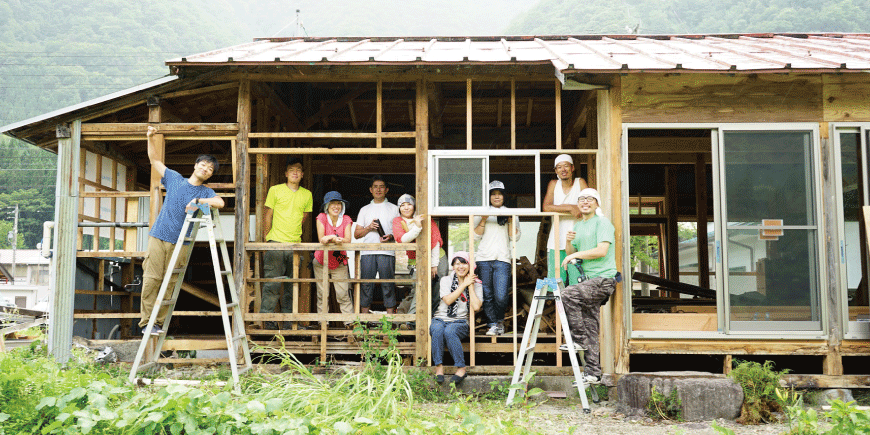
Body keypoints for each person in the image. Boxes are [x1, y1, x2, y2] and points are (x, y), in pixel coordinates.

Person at [140, 125, 224, 335]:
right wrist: (150, 138)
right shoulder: (175, 179)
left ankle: (158, 323)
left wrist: (198, 200)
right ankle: (146, 323)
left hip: (182, 242)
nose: (205, 169)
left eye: (209, 169)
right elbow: (154, 160)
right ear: (196, 165)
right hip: (159, 236)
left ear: (210, 175)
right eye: (203, 165)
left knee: (170, 283)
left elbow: (220, 202)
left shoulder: (206, 190)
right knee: (152, 280)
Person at [560, 188, 617, 385]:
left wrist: (573, 255)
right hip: (589, 281)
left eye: (590, 199)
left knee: (568, 295)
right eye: (582, 199)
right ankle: (593, 372)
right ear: (578, 203)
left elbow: (602, 251)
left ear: (596, 203)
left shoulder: (602, 223)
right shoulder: (579, 225)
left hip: (603, 280)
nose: (585, 202)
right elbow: (572, 250)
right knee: (592, 325)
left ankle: (578, 339)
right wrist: (568, 244)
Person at [262, 157, 313, 330]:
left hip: (295, 246)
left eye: (298, 170)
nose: (295, 173)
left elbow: (303, 219)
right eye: (292, 170)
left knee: (293, 286)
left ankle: (289, 323)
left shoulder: (307, 194)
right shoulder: (275, 190)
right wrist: (266, 240)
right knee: (272, 284)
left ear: (303, 174)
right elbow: (268, 215)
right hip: (275, 243)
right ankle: (268, 321)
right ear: (286, 173)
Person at [473, 181, 520, 336]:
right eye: (493, 194)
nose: (497, 197)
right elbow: (474, 236)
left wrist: (511, 219)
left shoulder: (510, 212)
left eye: (499, 193)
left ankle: (499, 321)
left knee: (501, 296)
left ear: (504, 196)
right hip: (483, 258)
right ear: (488, 197)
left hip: (503, 258)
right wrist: (484, 219)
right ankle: (492, 324)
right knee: (487, 295)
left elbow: (516, 237)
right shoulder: (481, 211)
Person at [430, 251, 483, 386]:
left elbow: (476, 307)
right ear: (453, 266)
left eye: (464, 263)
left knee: (450, 331)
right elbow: (448, 300)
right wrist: (463, 285)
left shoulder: (476, 284)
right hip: (441, 318)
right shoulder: (445, 280)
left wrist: (469, 286)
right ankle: (439, 367)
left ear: (469, 266)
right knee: (436, 329)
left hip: (460, 322)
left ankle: (461, 368)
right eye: (457, 263)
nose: (461, 266)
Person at [392, 194, 447, 317]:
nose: (406, 208)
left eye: (409, 204)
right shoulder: (398, 221)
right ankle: (410, 319)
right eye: (402, 205)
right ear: (399, 208)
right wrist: (417, 227)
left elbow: (435, 241)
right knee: (417, 289)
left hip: (437, 257)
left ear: (414, 206)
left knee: (438, 289)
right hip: (415, 260)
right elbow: (403, 239)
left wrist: (434, 264)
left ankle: (433, 317)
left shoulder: (424, 217)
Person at [354, 176, 400, 314]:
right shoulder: (364, 209)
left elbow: (400, 231)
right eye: (375, 187)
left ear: (386, 190)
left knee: (388, 284)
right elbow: (356, 234)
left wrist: (390, 236)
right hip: (367, 252)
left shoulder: (394, 208)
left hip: (387, 251)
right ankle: (364, 321)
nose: (378, 189)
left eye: (381, 187)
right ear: (370, 190)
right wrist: (369, 228)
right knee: (366, 285)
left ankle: (390, 322)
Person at [543, 154, 588, 282]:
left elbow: (589, 205)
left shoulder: (580, 183)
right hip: (556, 240)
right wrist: (569, 207)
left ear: (572, 168)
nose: (563, 170)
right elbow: (546, 207)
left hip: (577, 239)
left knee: (577, 281)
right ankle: (558, 304)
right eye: (559, 167)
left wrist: (576, 208)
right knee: (556, 282)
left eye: (566, 166)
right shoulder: (553, 184)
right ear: (556, 171)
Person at [313, 191, 355, 327]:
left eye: (338, 203)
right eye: (332, 204)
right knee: (322, 293)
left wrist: (337, 239)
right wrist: (332, 238)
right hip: (321, 260)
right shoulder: (321, 217)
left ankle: (349, 322)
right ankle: (323, 322)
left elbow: (348, 240)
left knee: (343, 293)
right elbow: (322, 239)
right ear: (327, 206)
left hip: (339, 259)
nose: (336, 206)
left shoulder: (347, 219)